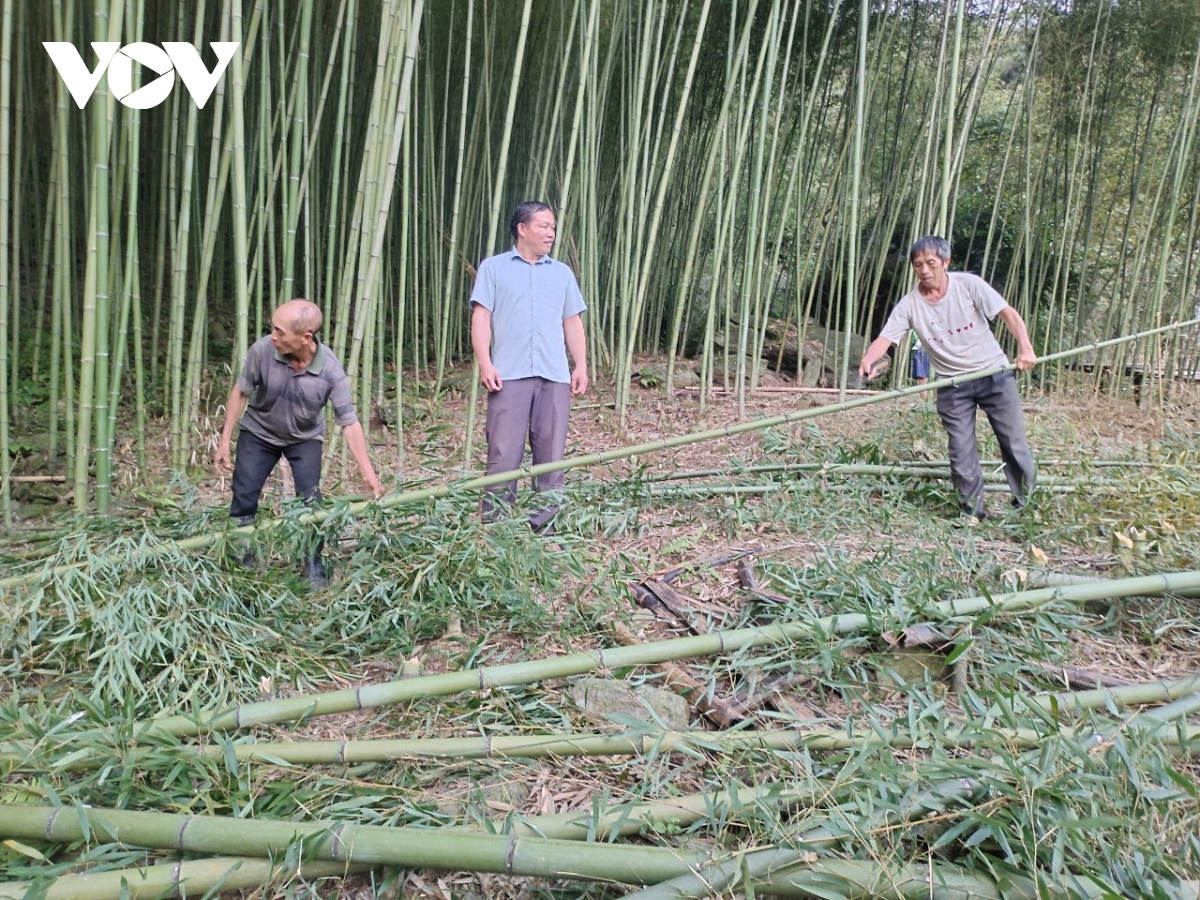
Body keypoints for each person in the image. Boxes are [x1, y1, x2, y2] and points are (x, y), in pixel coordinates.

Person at [858, 236, 1037, 520]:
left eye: (931, 263)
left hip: (994, 373)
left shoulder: (969, 285)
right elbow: (886, 338)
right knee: (960, 449)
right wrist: (869, 358)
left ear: (946, 262)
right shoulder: (910, 305)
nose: (925, 270)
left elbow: (1008, 314)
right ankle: (971, 512)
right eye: (918, 265)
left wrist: (1026, 348)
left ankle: (1026, 505)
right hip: (952, 384)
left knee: (1013, 441)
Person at [215, 298, 384, 586]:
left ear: (305, 338)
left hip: (304, 438)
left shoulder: (330, 369)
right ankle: (241, 563)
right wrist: (224, 439)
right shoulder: (263, 351)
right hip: (259, 433)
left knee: (311, 502)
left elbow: (349, 421)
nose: (273, 336)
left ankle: (313, 562)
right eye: (273, 329)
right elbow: (241, 391)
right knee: (243, 497)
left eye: (280, 331)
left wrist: (368, 473)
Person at [470, 200, 589, 534]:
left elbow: (572, 322)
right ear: (522, 229)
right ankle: (496, 530)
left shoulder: (561, 272)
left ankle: (545, 528)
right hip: (509, 375)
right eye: (543, 226)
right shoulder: (493, 268)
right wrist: (485, 363)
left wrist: (579, 364)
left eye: (552, 226)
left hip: (554, 376)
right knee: (503, 454)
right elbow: (481, 318)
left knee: (551, 456)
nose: (550, 232)